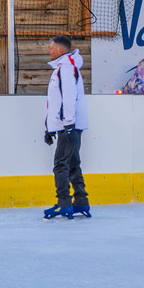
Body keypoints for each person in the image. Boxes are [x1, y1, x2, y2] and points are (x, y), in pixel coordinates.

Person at [43, 35, 91, 219]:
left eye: (51, 47)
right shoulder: (64, 67)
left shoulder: (66, 68)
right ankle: (81, 201)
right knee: (72, 163)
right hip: (68, 124)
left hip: (69, 125)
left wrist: (69, 126)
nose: (49, 50)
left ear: (60, 50)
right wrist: (49, 128)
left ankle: (64, 204)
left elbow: (69, 98)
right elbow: (56, 102)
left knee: (61, 164)